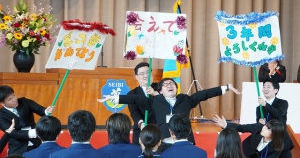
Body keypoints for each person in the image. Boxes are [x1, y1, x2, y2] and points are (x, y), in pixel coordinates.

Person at [98, 78, 240, 145]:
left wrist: (226, 87)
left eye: (171, 84)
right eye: (165, 85)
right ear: (160, 91)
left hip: (186, 141)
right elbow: (134, 99)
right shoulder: (155, 101)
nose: (169, 85)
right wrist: (114, 97)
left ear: (176, 88)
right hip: (163, 142)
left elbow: (205, 94)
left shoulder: (185, 99)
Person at [0, 85, 55, 155]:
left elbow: (40, 110)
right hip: (18, 146)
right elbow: (13, 133)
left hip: (36, 142)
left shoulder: (24, 102)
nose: (14, 99)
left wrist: (47, 111)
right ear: (2, 103)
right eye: (9, 99)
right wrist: (34, 132)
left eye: (13, 95)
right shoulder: (1, 115)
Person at [213, 115, 294, 158]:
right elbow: (240, 127)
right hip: (244, 152)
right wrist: (226, 125)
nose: (264, 127)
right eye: (266, 125)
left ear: (274, 134)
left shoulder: (278, 146)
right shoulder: (258, 127)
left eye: (268, 128)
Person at [128, 62, 159, 145]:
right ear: (136, 77)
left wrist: (156, 94)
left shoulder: (161, 88)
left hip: (159, 128)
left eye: (148, 72)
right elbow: (134, 111)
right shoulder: (132, 94)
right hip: (141, 129)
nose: (145, 76)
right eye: (142, 74)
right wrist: (141, 123)